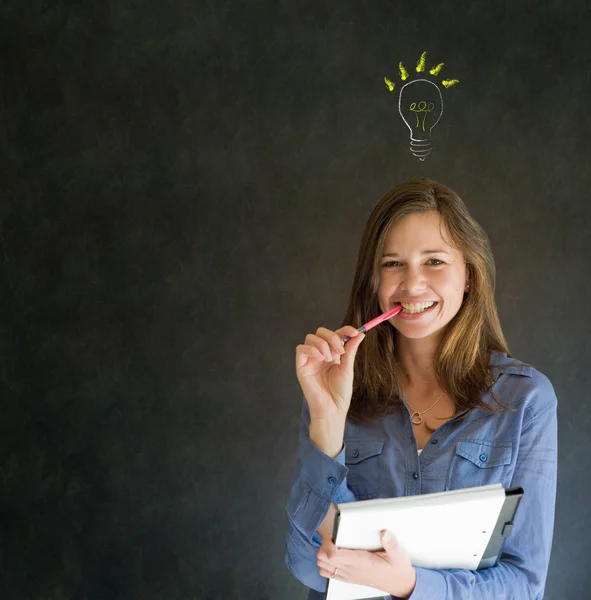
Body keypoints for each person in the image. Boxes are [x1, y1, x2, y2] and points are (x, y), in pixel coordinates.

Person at [284, 178, 558, 599]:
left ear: (469, 275)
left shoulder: (527, 401)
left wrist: (408, 584)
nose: (412, 285)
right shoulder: (334, 390)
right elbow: (308, 564)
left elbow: (523, 585)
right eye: (393, 264)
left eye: (434, 262)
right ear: (373, 282)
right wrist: (326, 419)